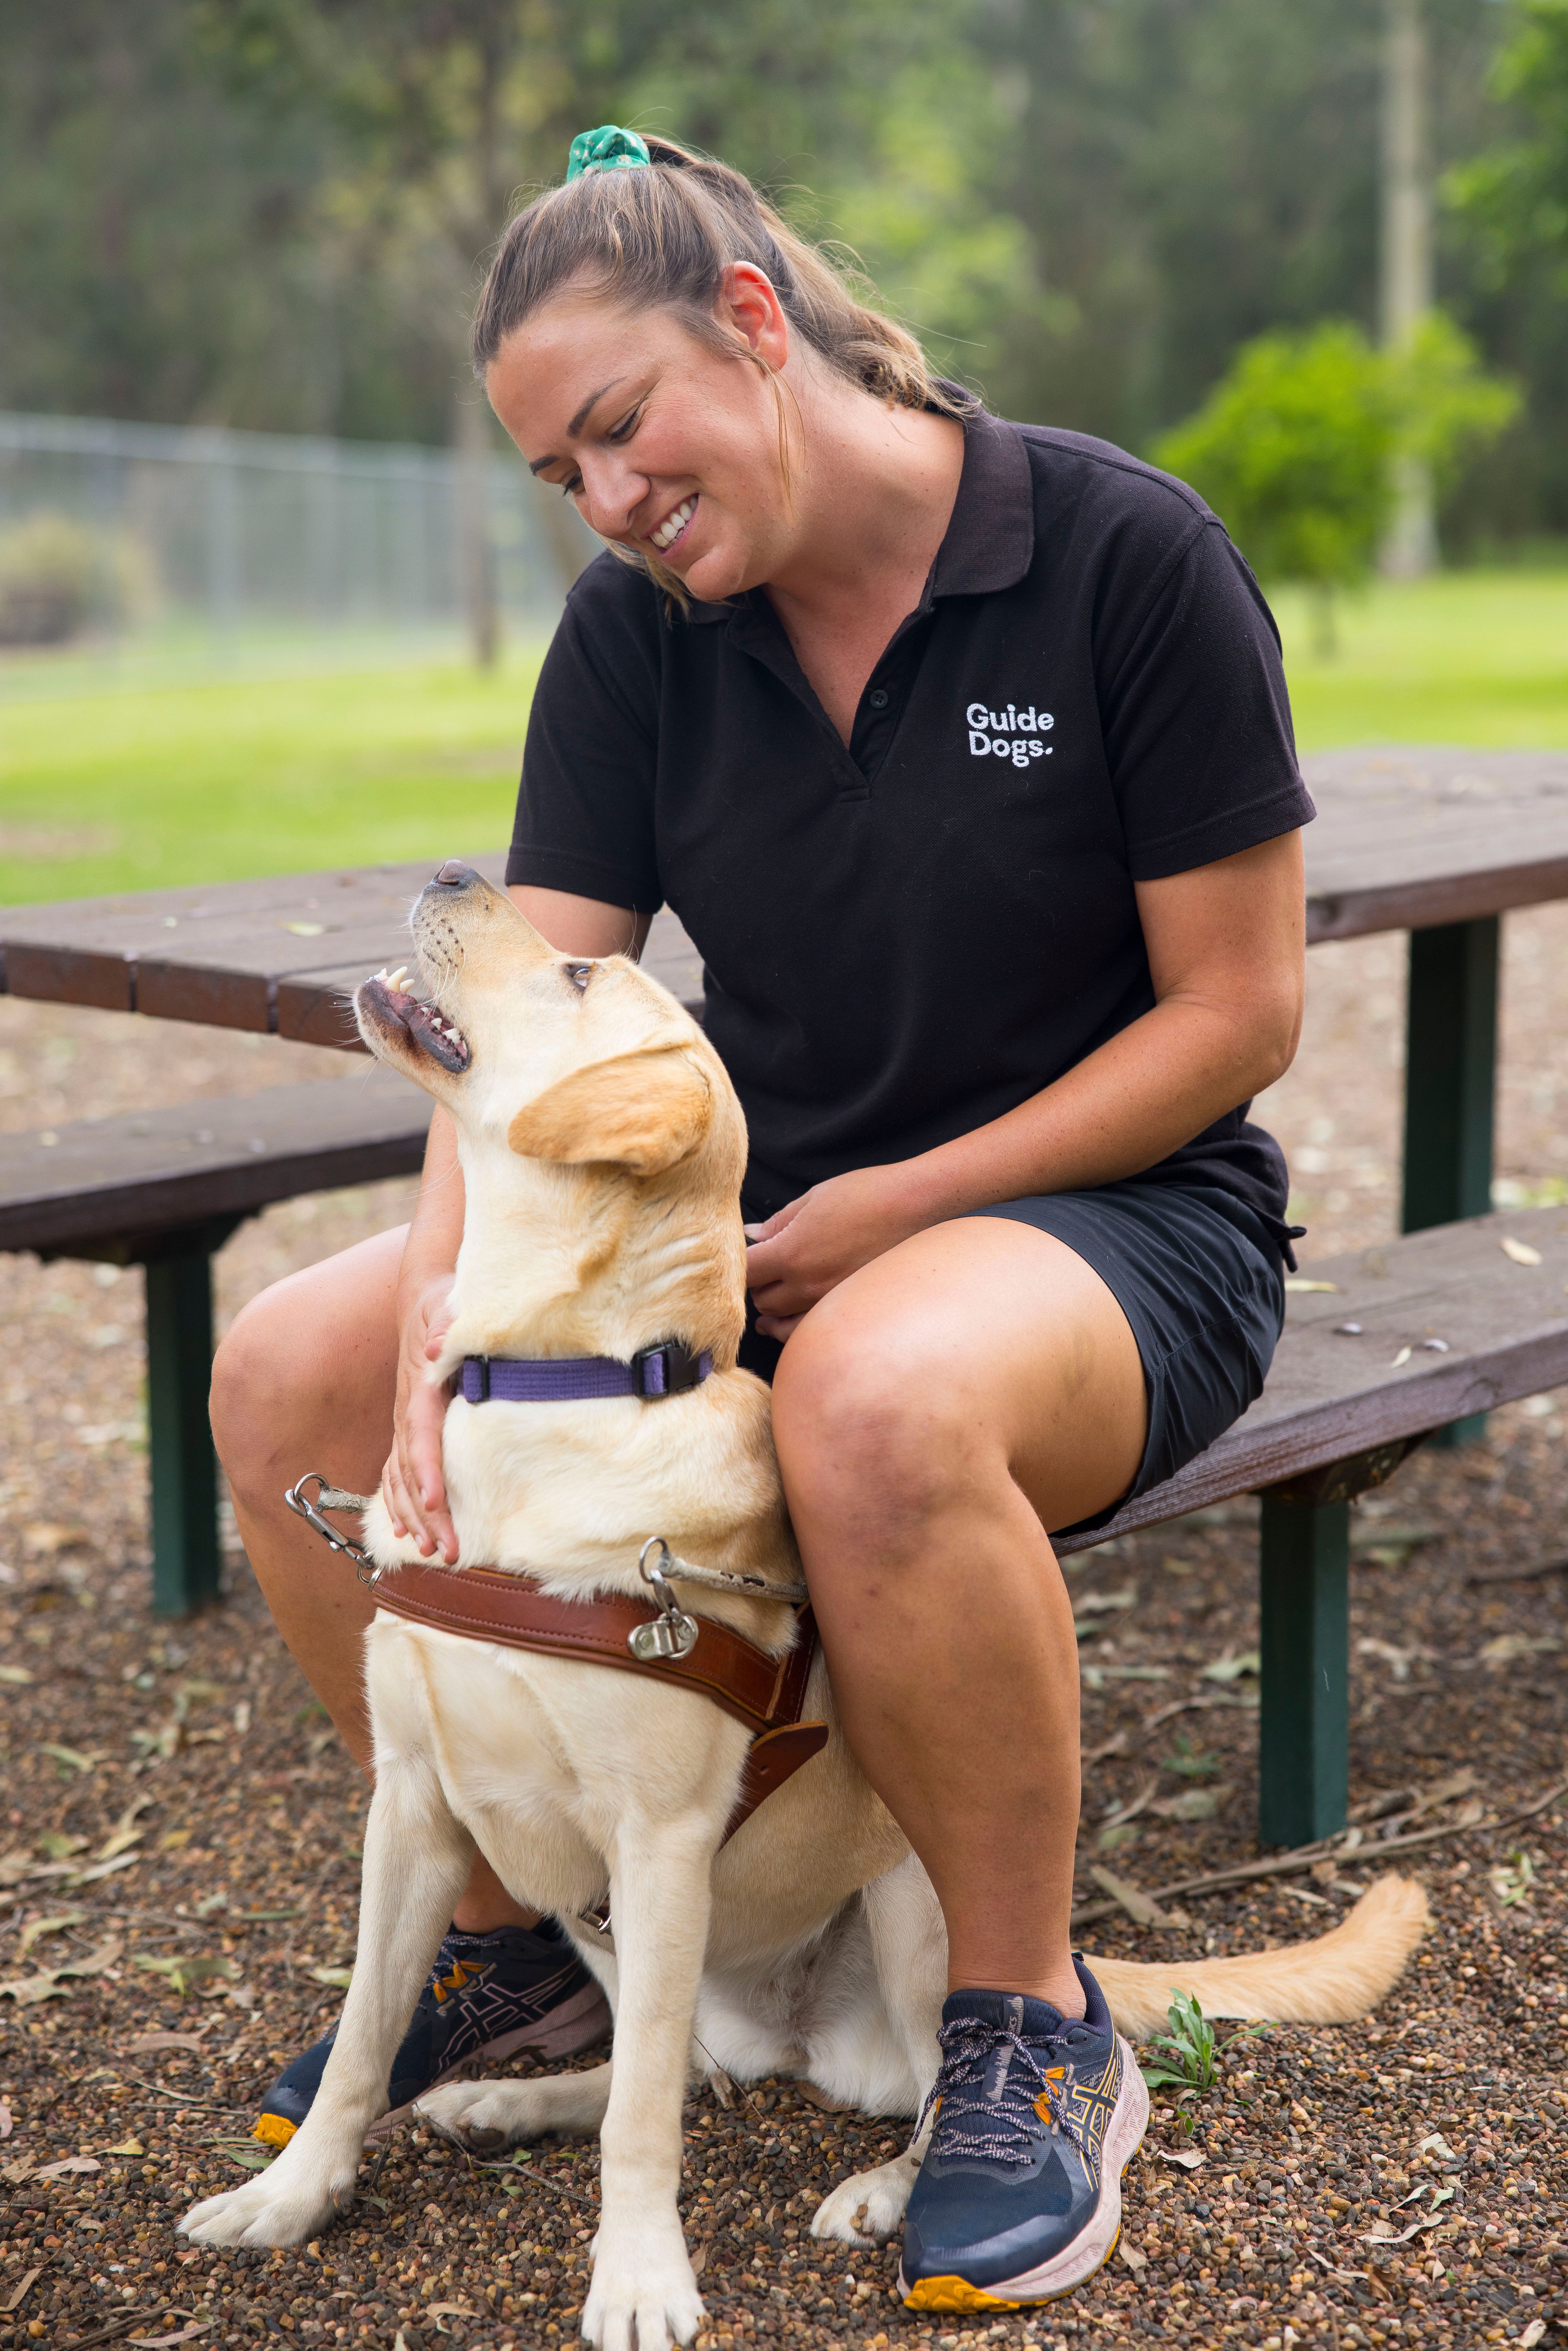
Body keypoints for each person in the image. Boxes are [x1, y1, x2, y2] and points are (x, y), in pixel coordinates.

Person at [212, 123, 1312, 2311]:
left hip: (1116, 1225)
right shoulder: (640, 642)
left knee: (878, 1404)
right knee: (290, 1368)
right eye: (562, 477)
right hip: (762, 1230)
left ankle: (1028, 2030)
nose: (607, 503)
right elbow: (502, 1017)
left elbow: (1236, 1017)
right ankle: (524, 1957)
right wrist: (431, 1343)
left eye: (620, 431)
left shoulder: (1117, 556)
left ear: (750, 323)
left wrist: (903, 1203)